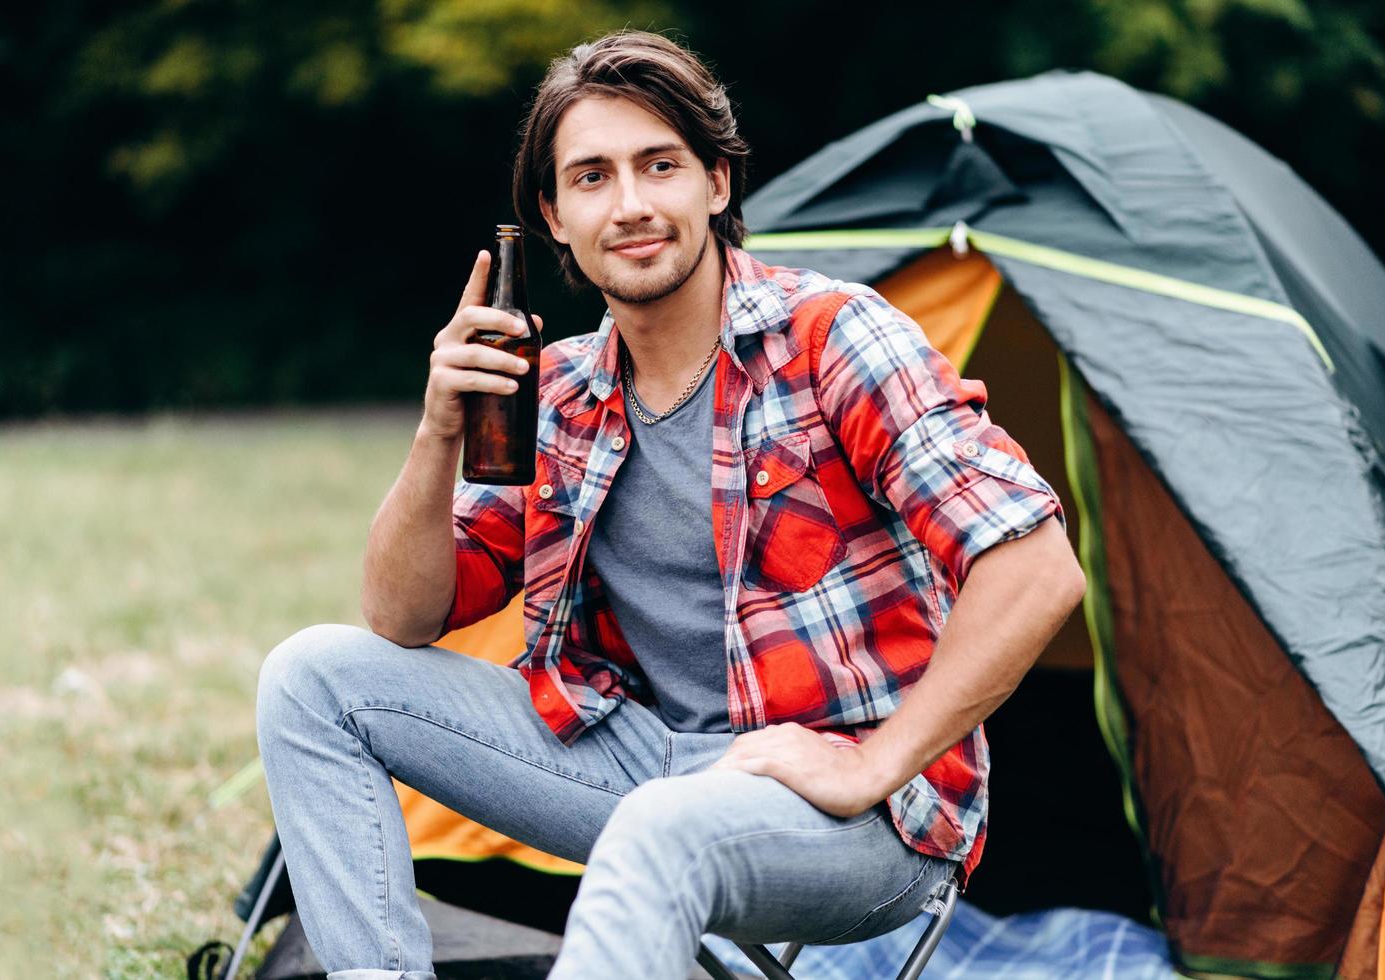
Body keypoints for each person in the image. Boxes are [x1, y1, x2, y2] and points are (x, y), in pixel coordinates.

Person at [256, 30, 1085, 980]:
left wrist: (871, 764)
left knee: (662, 826)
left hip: (859, 817)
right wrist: (438, 431)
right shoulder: (560, 392)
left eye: (660, 166)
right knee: (312, 675)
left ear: (717, 185)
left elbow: (1034, 566)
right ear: (553, 215)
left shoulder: (833, 339)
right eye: (593, 177)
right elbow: (403, 615)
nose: (633, 204)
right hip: (646, 763)